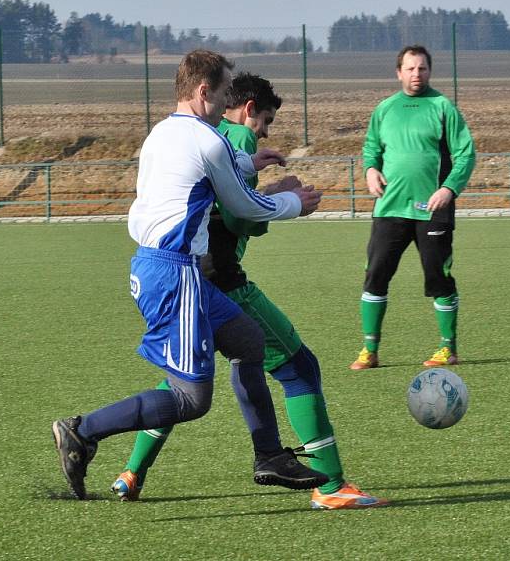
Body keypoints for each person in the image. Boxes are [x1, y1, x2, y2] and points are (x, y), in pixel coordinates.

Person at [51, 50, 328, 500]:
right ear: (203, 92)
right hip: (174, 273)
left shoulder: (162, 133)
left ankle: (270, 455)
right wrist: (294, 204)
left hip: (168, 268)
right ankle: (83, 430)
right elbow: (243, 206)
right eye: (221, 95)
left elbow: (198, 170)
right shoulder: (209, 139)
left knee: (247, 341)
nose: (225, 105)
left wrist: (247, 165)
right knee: (190, 399)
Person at [110, 72, 387, 509]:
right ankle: (330, 487)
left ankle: (131, 473)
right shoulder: (235, 134)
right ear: (247, 107)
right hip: (224, 283)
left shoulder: (185, 132)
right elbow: (240, 217)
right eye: (265, 122)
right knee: (299, 367)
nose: (263, 134)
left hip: (178, 276)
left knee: (181, 384)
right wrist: (284, 197)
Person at [351, 44, 475, 370]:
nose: (416, 74)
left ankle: (448, 348)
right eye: (410, 68)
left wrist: (449, 188)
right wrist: (370, 170)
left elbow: (466, 154)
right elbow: (371, 148)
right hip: (390, 207)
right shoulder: (385, 109)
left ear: (429, 71)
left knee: (438, 276)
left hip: (433, 208)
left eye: (422, 68)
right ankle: (370, 351)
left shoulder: (443, 107)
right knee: (375, 275)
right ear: (399, 72)